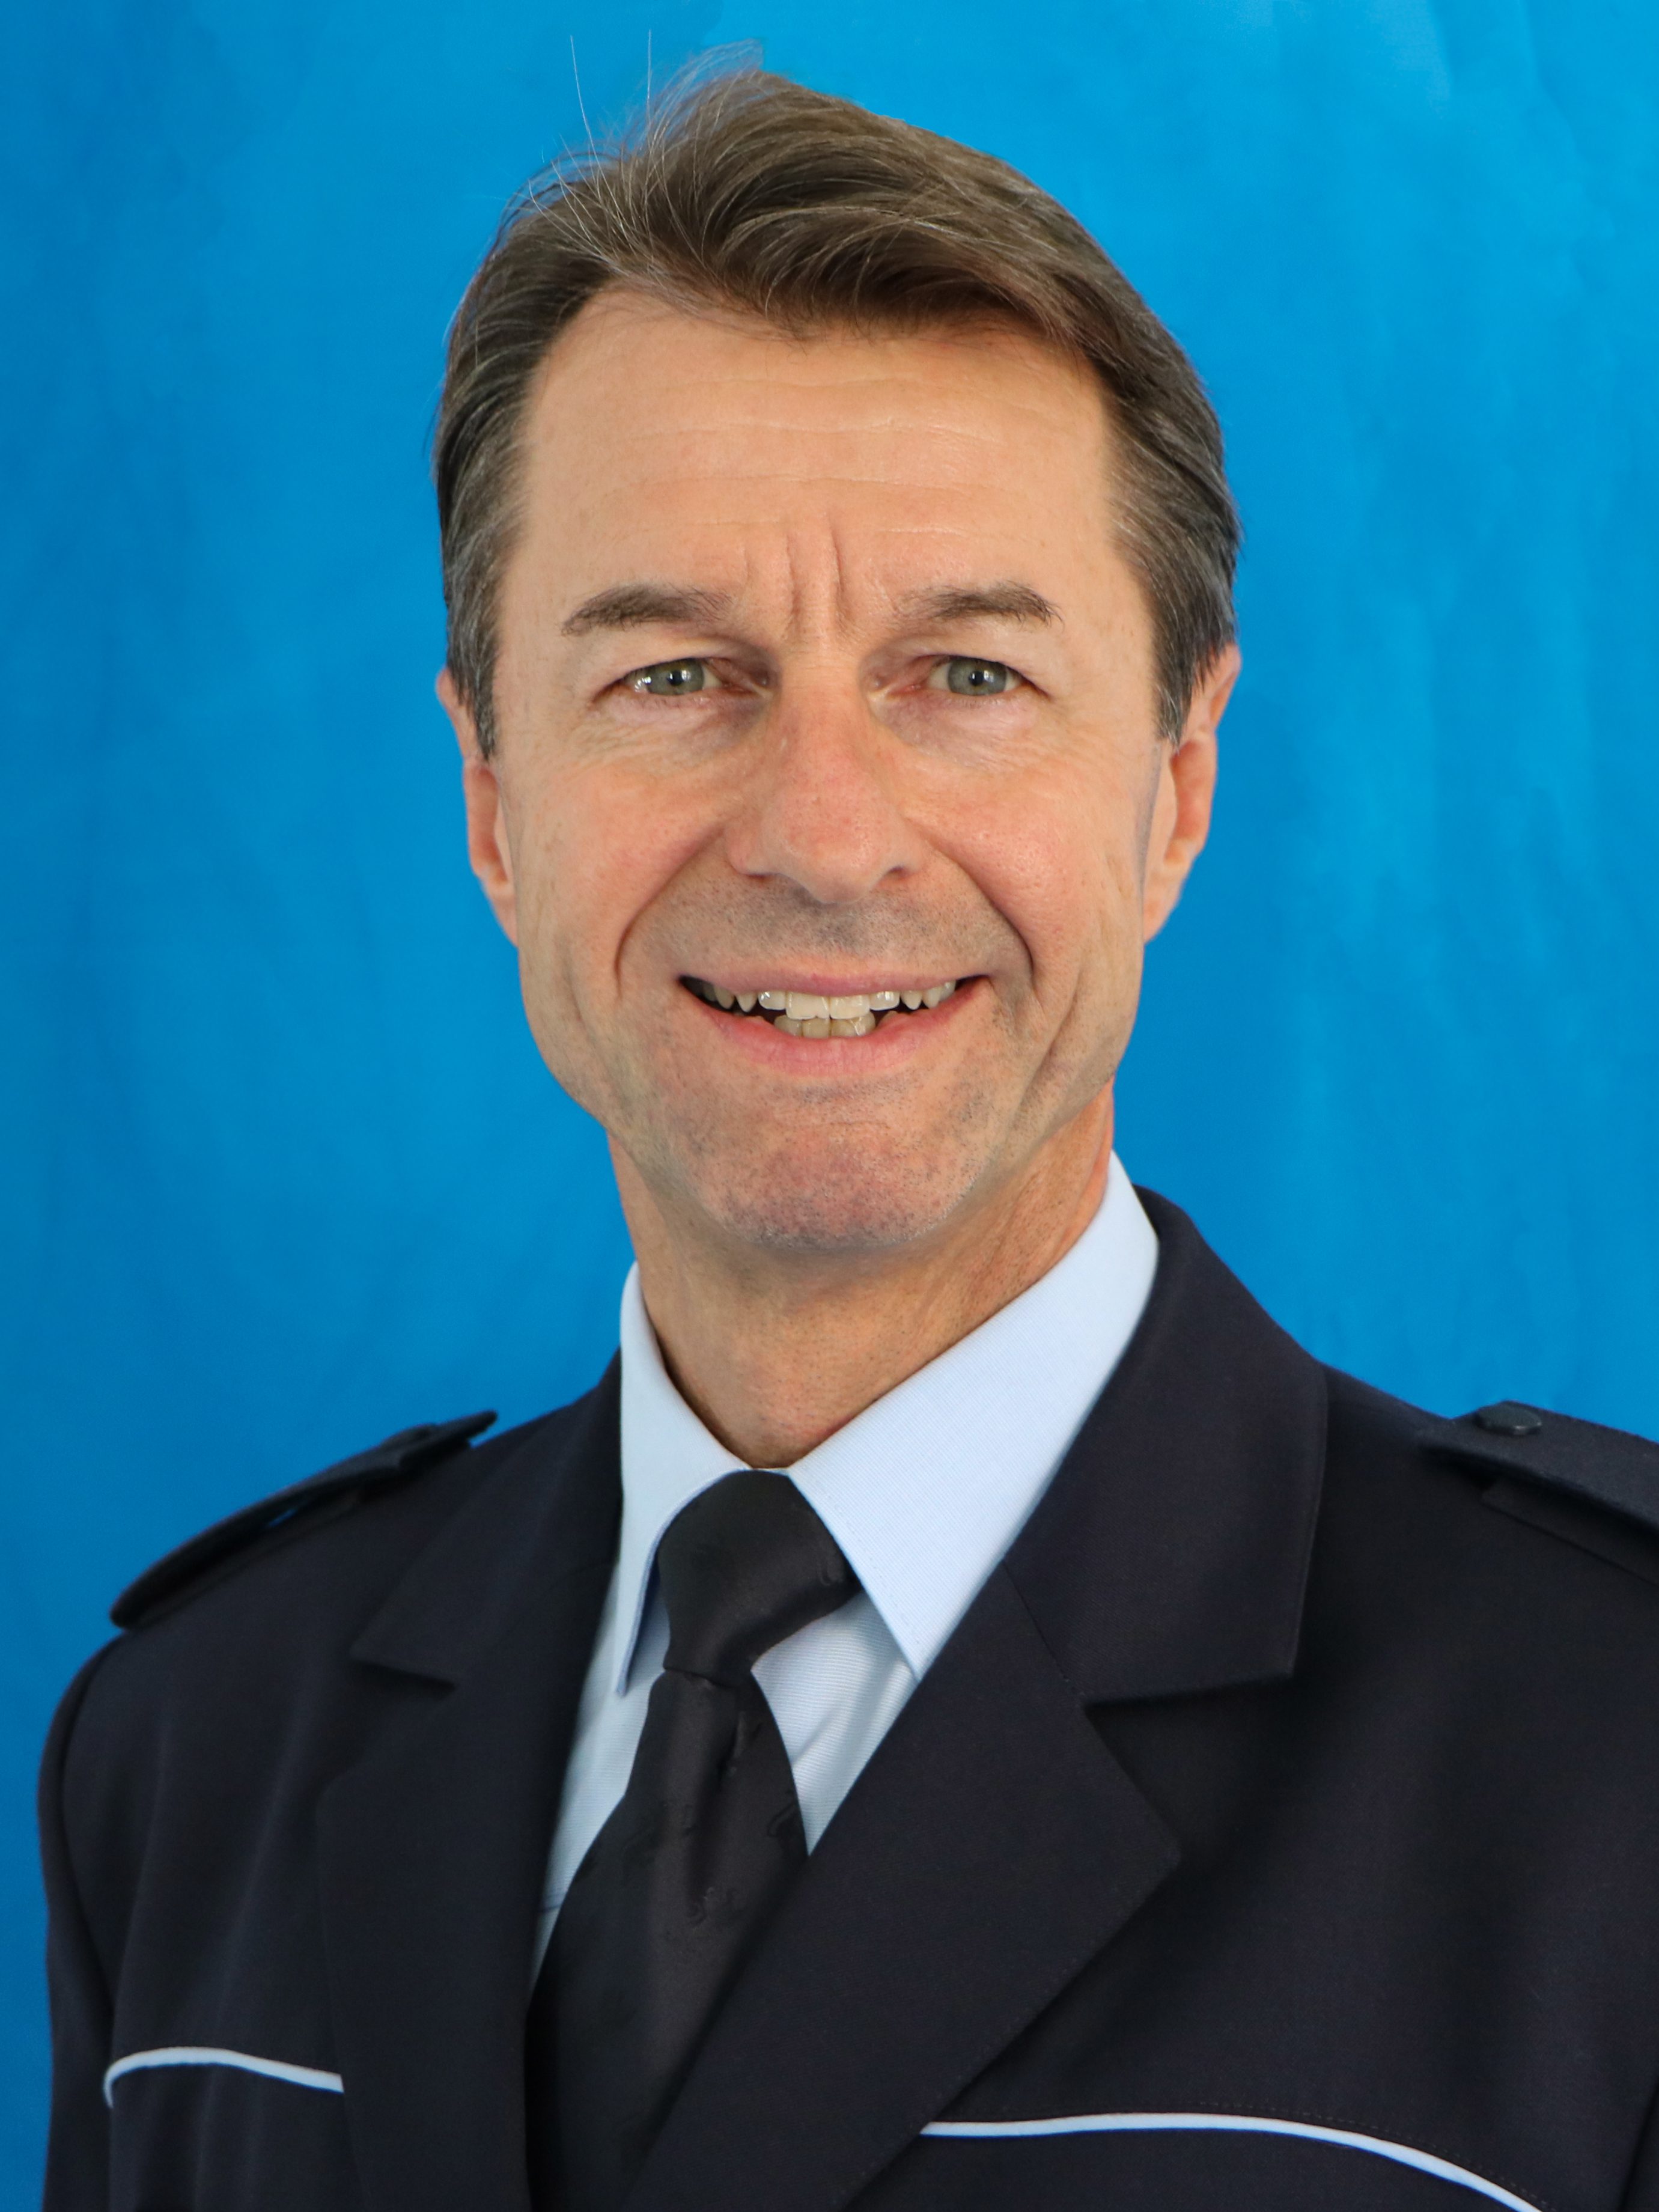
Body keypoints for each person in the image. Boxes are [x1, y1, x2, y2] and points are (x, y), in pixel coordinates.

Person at [38, 66, 1659, 2212]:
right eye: (672, 676)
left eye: (964, 675)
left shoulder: (1611, 1754)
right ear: (495, 801)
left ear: (1175, 787)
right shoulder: (191, 1750)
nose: (818, 835)